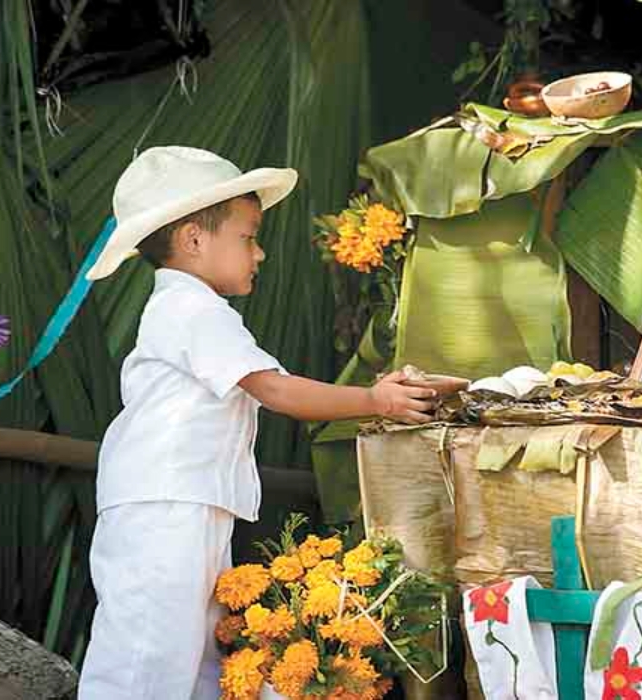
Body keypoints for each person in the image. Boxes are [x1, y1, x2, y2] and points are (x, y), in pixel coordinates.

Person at [77, 146, 435, 699]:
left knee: (189, 661)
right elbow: (274, 389)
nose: (260, 253)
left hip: (184, 500)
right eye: (247, 237)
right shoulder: (190, 309)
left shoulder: (192, 311)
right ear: (195, 239)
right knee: (146, 656)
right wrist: (376, 400)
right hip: (167, 503)